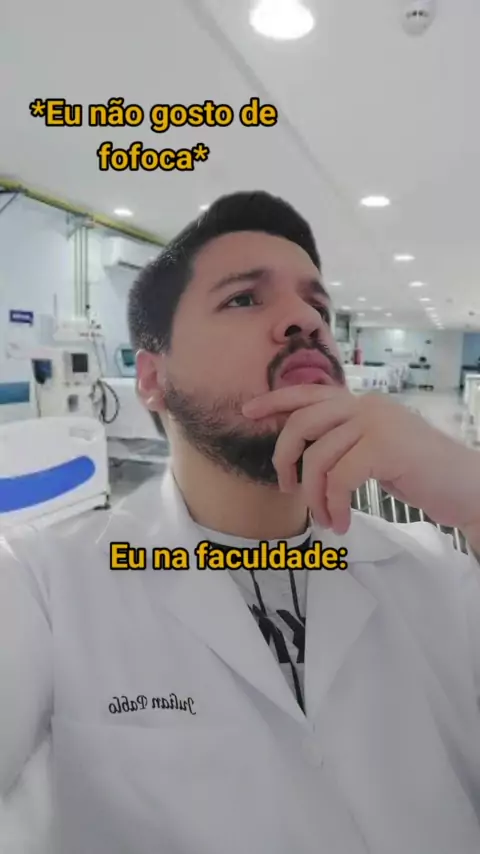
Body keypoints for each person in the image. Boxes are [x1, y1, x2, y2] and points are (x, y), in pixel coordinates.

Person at [1, 191, 480, 854]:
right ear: (152, 378)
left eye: (318, 306)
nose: (305, 321)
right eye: (244, 298)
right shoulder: (43, 586)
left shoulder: (438, 573)